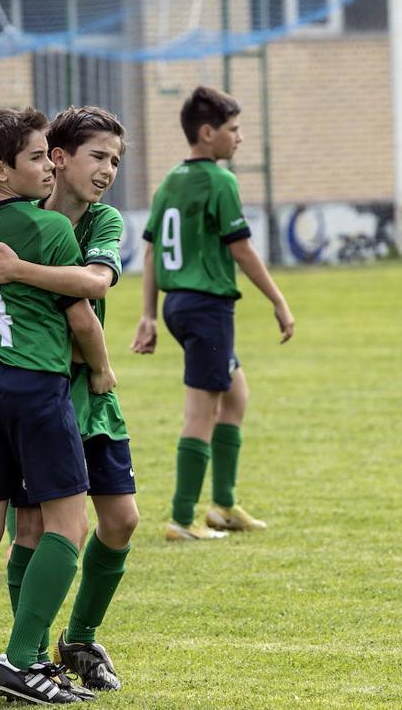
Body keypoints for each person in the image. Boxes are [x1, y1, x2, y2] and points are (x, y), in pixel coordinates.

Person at [0, 107, 117, 707]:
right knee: (70, 523)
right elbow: (83, 314)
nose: (48, 166)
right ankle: (20, 662)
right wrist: (102, 371)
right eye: (36, 157)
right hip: (34, 386)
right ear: (1, 169)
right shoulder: (52, 231)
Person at [130, 85, 295, 541]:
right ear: (207, 133)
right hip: (206, 308)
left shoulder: (170, 182)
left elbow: (148, 253)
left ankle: (222, 506)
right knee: (201, 412)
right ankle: (182, 520)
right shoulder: (220, 182)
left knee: (235, 398)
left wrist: (148, 314)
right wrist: (279, 301)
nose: (239, 138)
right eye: (234, 129)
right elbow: (240, 248)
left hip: (177, 306)